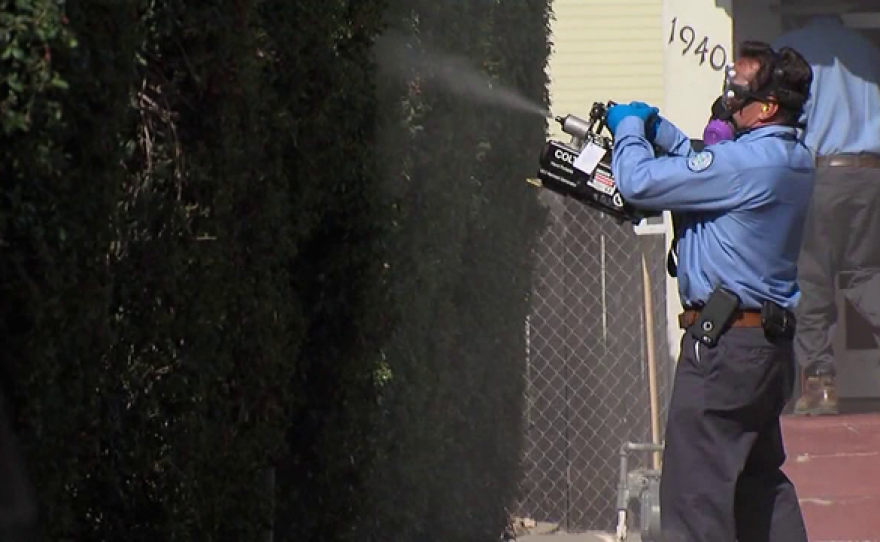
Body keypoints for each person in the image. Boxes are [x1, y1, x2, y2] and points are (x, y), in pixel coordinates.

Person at [604, 41, 814, 542]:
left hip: (723, 351)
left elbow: (637, 183)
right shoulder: (790, 158)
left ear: (765, 108)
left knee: (694, 498)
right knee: (757, 489)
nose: (726, 100)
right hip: (763, 350)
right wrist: (670, 136)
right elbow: (709, 167)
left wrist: (630, 129)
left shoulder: (743, 165)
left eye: (736, 92)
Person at [772, 15, 880, 416]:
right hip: (871, 173)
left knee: (812, 276)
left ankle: (819, 386)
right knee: (867, 275)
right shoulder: (866, 51)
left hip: (822, 173)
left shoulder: (789, 48)